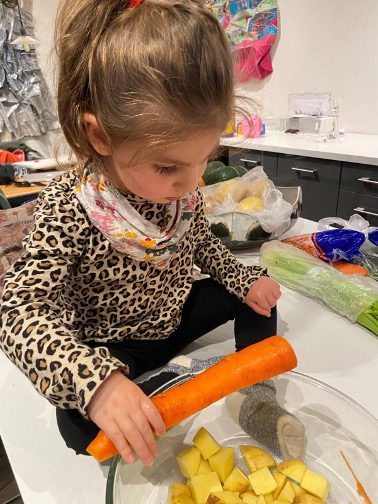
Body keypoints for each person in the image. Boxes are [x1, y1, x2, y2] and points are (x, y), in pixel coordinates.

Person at [0, 0, 283, 468]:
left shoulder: (182, 190)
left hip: (174, 319)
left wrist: (243, 280)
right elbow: (17, 313)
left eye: (205, 159)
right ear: (100, 136)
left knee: (262, 296)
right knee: (79, 429)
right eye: (169, 166)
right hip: (115, 348)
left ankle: (259, 401)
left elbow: (200, 243)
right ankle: (139, 392)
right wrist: (99, 384)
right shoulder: (67, 206)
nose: (191, 184)